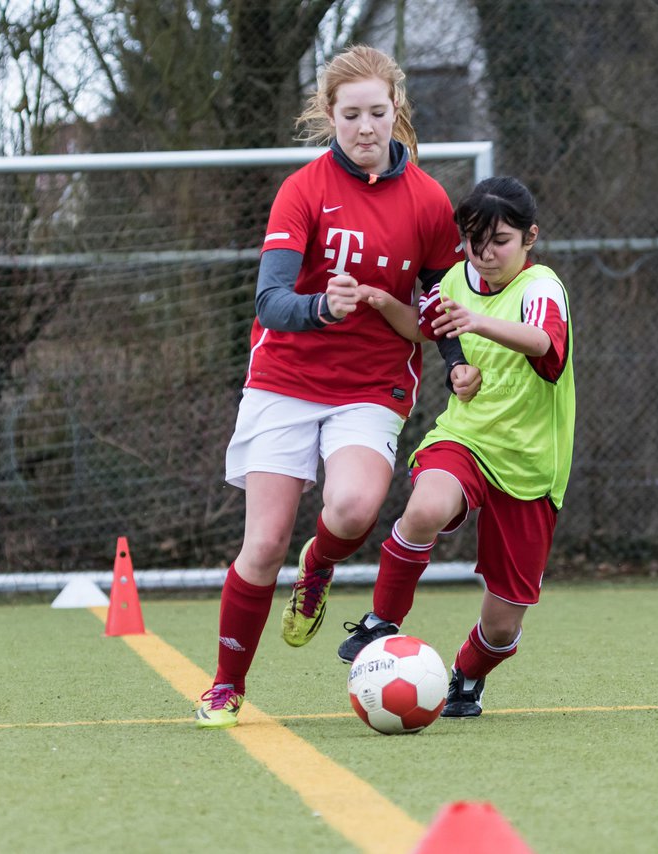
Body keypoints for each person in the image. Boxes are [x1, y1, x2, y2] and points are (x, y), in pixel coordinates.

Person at [195, 45, 481, 729]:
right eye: (350, 114)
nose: (364, 127)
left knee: (352, 511)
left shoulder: (428, 201)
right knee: (261, 546)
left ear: (395, 112)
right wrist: (323, 306)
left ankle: (318, 567)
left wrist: (457, 360)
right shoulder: (304, 190)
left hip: (371, 385)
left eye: (377, 113)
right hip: (285, 379)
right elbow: (270, 303)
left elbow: (439, 300)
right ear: (330, 115)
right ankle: (227, 685)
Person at [337, 176, 575, 718]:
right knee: (423, 508)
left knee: (503, 622)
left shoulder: (541, 286)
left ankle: (466, 676)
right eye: (474, 241)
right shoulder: (454, 280)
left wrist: (479, 325)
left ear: (530, 237)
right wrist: (382, 302)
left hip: (531, 464)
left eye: (500, 242)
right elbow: (425, 328)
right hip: (465, 436)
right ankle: (383, 620)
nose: (485, 255)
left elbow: (543, 343)